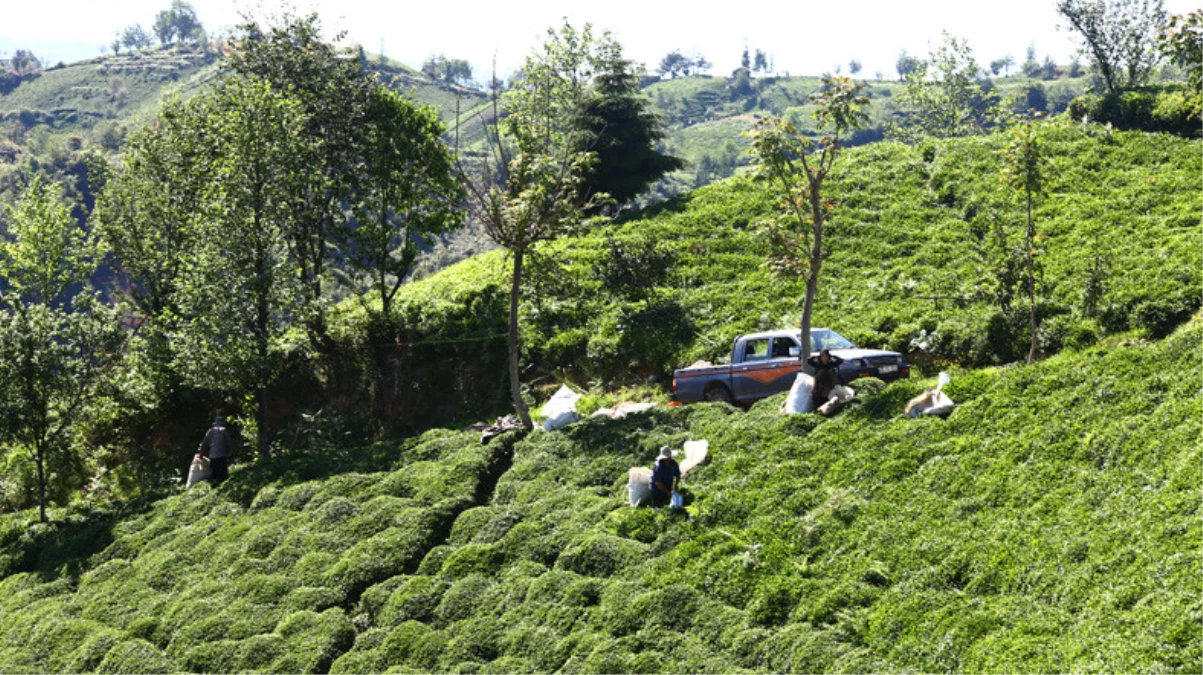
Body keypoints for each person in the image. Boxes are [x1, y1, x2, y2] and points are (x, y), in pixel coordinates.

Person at [198, 416, 231, 484]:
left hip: (213, 456)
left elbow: (204, 443)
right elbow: (228, 443)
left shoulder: (210, 431)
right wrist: (227, 452)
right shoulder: (224, 430)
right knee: (223, 475)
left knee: (215, 474)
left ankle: (215, 487)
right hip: (222, 455)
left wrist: (201, 453)